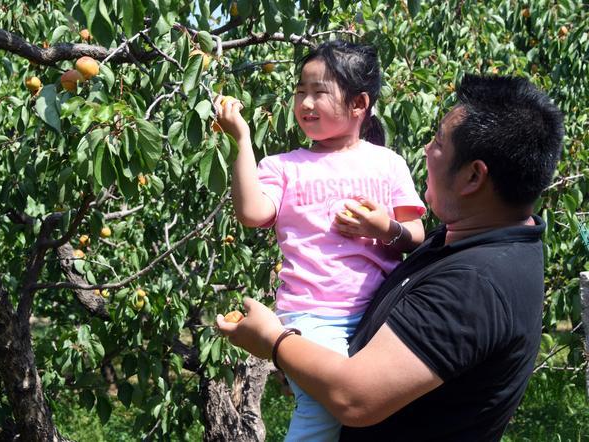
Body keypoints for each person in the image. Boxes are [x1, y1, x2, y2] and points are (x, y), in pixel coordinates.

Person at [217, 74, 565, 441]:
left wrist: (275, 341)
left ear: (473, 177)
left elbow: (355, 398)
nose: (427, 150)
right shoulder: (469, 239)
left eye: (439, 144)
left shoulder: (475, 285)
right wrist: (312, 365)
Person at [215, 40, 426, 441]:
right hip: (314, 314)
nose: (305, 103)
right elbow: (252, 213)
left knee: (385, 407)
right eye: (300, 92)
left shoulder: (388, 163)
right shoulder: (284, 166)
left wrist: (383, 229)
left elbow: (416, 237)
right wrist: (241, 140)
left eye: (318, 92)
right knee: (322, 411)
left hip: (383, 309)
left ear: (359, 104)